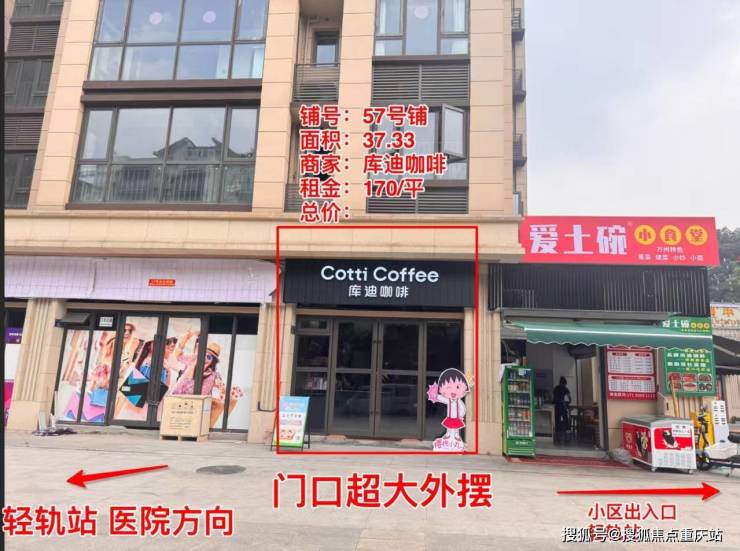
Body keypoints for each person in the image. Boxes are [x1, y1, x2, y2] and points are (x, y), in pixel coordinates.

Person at [427, 368, 471, 444]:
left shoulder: (458, 401)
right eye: (448, 387)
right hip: (450, 417)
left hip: (456, 417)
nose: (453, 391)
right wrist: (435, 395)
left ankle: (456, 436)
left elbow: (462, 409)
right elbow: (442, 399)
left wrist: (460, 415)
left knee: (455, 428)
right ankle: (448, 434)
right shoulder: (449, 400)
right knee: (449, 426)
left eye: (457, 387)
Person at [553, 376, 572, 445]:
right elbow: (570, 398)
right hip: (562, 405)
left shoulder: (556, 388)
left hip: (557, 405)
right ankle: (567, 430)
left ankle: (557, 432)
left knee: (557, 418)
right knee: (565, 418)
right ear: (564, 383)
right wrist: (567, 403)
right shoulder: (565, 388)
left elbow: (554, 397)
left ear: (560, 382)